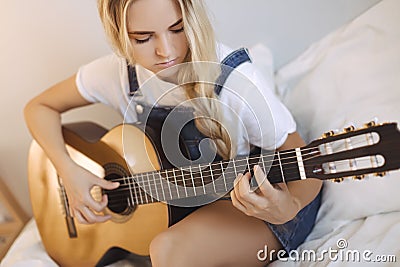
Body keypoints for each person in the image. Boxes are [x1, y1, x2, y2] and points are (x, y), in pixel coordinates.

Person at [24, 0, 322, 266]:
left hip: (264, 206)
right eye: (143, 38)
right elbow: (39, 107)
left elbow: (309, 168)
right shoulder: (117, 74)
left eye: (178, 29)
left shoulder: (236, 83)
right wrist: (69, 171)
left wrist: (288, 207)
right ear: (119, 35)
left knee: (167, 250)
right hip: (185, 203)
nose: (165, 51)